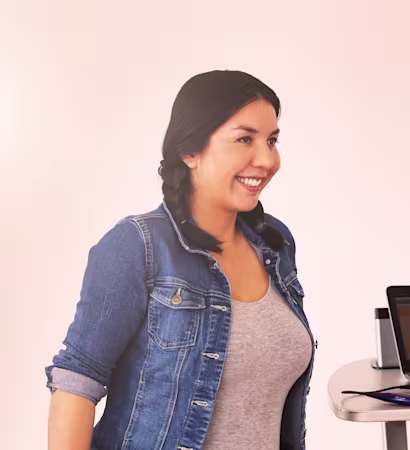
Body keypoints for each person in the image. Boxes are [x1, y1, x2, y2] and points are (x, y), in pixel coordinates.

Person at [45, 70, 315, 450]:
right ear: (189, 151)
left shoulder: (275, 243)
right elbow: (76, 384)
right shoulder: (139, 245)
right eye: (244, 139)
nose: (267, 159)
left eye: (272, 140)